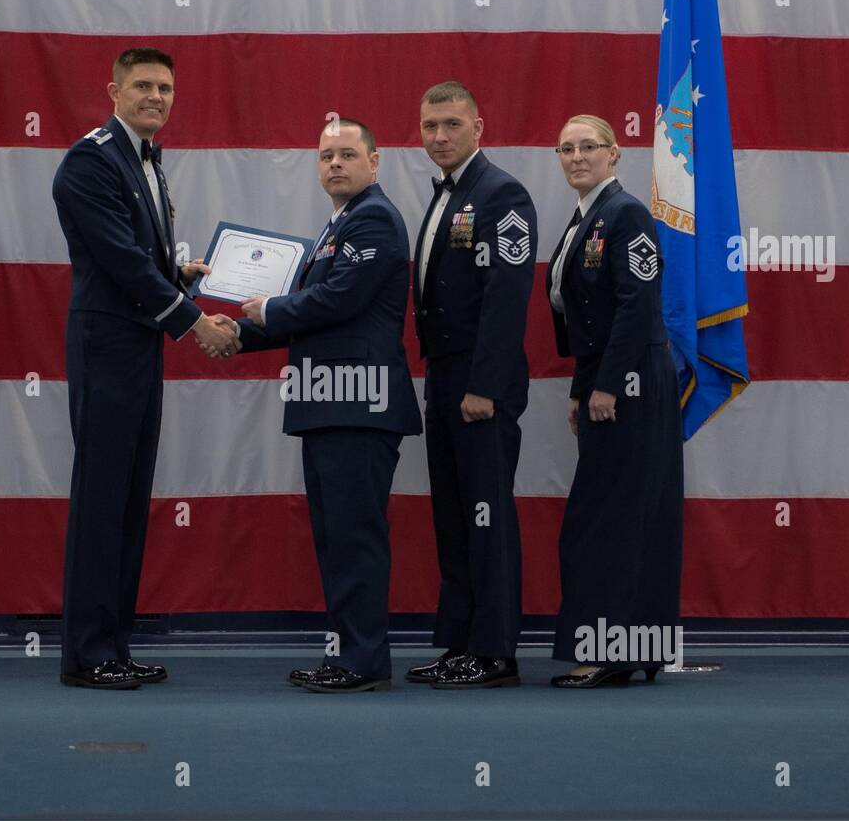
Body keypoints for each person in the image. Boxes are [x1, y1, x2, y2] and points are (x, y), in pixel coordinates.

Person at [52, 47, 239, 689]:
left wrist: (177, 275)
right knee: (103, 497)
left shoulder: (144, 158)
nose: (156, 96)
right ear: (113, 90)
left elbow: (141, 256)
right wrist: (192, 320)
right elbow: (118, 261)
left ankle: (114, 644)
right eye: (143, 86)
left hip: (137, 344)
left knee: (130, 500)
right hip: (108, 344)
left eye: (165, 87)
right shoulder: (91, 159)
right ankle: (86, 654)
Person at [225, 119, 422, 692]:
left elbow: (336, 301)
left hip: (357, 405)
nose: (335, 164)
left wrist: (261, 314)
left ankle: (362, 663)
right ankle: (349, 657)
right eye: (325, 156)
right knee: (337, 537)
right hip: (330, 404)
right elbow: (312, 312)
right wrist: (236, 333)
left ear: (375, 161)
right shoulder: (338, 226)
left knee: (354, 538)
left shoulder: (376, 219)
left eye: (347, 154)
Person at [406, 82, 537, 689]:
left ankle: (495, 651)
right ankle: (459, 642)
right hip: (445, 378)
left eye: (451, 124)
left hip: (481, 383)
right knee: (454, 517)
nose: (439, 136)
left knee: (486, 515)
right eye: (430, 125)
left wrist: (483, 385)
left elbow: (507, 301)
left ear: (479, 127)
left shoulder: (502, 193)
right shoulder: (446, 194)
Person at [546, 114, 683, 688]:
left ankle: (613, 652)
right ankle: (629, 648)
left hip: (632, 385)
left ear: (614, 153)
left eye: (589, 147)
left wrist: (606, 384)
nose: (577, 157)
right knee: (605, 516)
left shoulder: (627, 214)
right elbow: (586, 319)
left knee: (618, 520)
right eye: (566, 148)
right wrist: (583, 387)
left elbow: (636, 306)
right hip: (605, 382)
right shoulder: (585, 218)